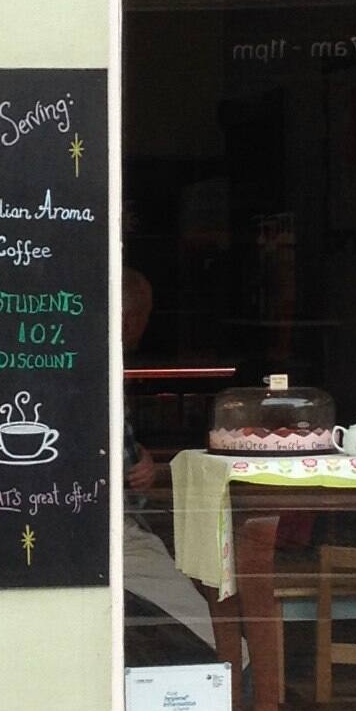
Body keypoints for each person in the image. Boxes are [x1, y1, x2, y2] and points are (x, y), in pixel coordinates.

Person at [120, 263, 219, 664]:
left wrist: (139, 454)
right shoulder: (87, 368)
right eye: (141, 316)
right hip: (112, 534)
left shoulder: (86, 364)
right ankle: (238, 696)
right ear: (129, 315)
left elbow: (110, 445)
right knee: (218, 640)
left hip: (116, 527)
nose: (141, 329)